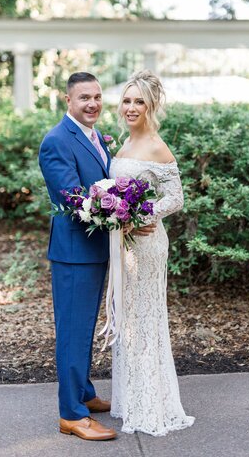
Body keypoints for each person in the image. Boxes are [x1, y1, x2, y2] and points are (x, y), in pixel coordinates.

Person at [109, 69, 195, 436]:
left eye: (138, 101)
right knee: (128, 319)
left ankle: (152, 406)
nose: (131, 107)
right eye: (127, 100)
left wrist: (141, 215)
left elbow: (176, 198)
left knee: (145, 319)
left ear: (151, 105)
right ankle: (132, 398)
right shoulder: (124, 145)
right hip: (124, 245)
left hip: (147, 243)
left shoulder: (157, 146)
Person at [38, 72, 117, 441]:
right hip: (74, 253)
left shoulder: (95, 136)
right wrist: (120, 210)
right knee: (72, 331)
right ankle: (71, 414)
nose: (93, 104)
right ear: (67, 100)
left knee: (83, 326)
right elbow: (73, 199)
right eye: (85, 97)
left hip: (96, 249)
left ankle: (83, 393)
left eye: (98, 97)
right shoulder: (56, 140)